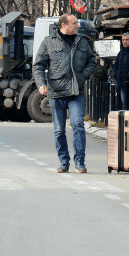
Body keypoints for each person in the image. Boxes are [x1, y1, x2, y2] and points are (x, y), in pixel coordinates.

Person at [33, 14, 97, 173]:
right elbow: (38, 66)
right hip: (56, 92)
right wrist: (41, 84)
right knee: (59, 130)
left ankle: (80, 162)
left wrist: (83, 76)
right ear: (63, 25)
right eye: (74, 23)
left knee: (78, 125)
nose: (77, 25)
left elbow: (92, 61)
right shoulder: (49, 42)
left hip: (76, 92)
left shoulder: (82, 41)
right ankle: (64, 162)